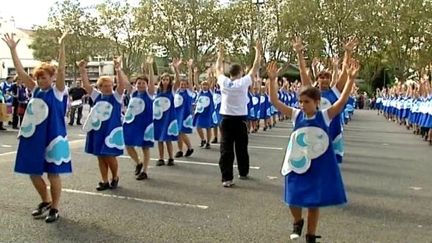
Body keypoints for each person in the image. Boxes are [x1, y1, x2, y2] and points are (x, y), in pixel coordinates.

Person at [267, 59, 359, 243]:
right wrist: (271, 81)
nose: (302, 105)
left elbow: (341, 102)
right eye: (300, 101)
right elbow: (274, 101)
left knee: (313, 203)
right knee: (292, 198)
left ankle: (310, 235)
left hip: (317, 164)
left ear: (317, 102)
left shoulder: (324, 115)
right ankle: (297, 220)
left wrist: (350, 79)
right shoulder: (296, 114)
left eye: (306, 102)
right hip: (297, 162)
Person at [3, 32, 70, 223]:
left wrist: (62, 47)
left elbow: (63, 71)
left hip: (53, 136)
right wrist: (13, 50)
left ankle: (55, 208)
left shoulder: (58, 91)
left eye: (44, 77)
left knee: (53, 173)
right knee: (33, 171)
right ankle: (45, 201)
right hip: (34, 136)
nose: (41, 80)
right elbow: (21, 71)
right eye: (39, 77)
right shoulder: (35, 90)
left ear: (52, 77)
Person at [215, 41, 261, 187]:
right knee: (241, 148)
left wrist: (220, 56)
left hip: (226, 120)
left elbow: (217, 69)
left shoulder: (224, 81)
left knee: (226, 149)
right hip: (240, 120)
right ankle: (243, 172)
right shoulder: (243, 82)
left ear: (230, 73)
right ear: (240, 72)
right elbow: (255, 68)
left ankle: (227, 178)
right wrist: (258, 52)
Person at [79, 57, 126, 191]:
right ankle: (104, 180)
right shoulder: (97, 96)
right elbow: (86, 86)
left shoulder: (116, 97)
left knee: (110, 155)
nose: (108, 88)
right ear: (100, 87)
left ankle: (115, 177)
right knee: (100, 155)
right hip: (98, 129)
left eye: (110, 85)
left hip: (111, 130)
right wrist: (83, 71)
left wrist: (118, 70)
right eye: (105, 86)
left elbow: (121, 86)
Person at [123, 57, 156, 180]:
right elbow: (126, 82)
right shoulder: (133, 93)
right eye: (139, 83)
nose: (141, 85)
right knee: (128, 144)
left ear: (147, 85)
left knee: (145, 147)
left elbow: (152, 82)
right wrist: (118, 68)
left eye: (143, 83)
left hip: (145, 124)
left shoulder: (149, 93)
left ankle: (145, 171)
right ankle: (138, 163)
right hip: (132, 123)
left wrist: (150, 67)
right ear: (135, 84)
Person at [153, 59, 181, 166]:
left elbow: (178, 81)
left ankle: (170, 158)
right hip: (159, 118)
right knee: (160, 139)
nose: (165, 81)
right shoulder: (157, 91)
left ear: (169, 81)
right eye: (163, 79)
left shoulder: (172, 91)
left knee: (168, 139)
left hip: (168, 118)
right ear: (161, 80)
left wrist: (176, 69)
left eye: (167, 79)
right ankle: (161, 158)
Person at [173, 59, 194, 158]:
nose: (183, 85)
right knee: (178, 133)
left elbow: (190, 80)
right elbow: (176, 80)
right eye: (182, 84)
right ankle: (180, 150)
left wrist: (190, 68)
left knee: (181, 132)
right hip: (176, 114)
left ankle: (189, 148)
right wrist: (176, 68)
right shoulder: (177, 91)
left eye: (185, 84)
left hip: (185, 115)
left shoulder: (189, 92)